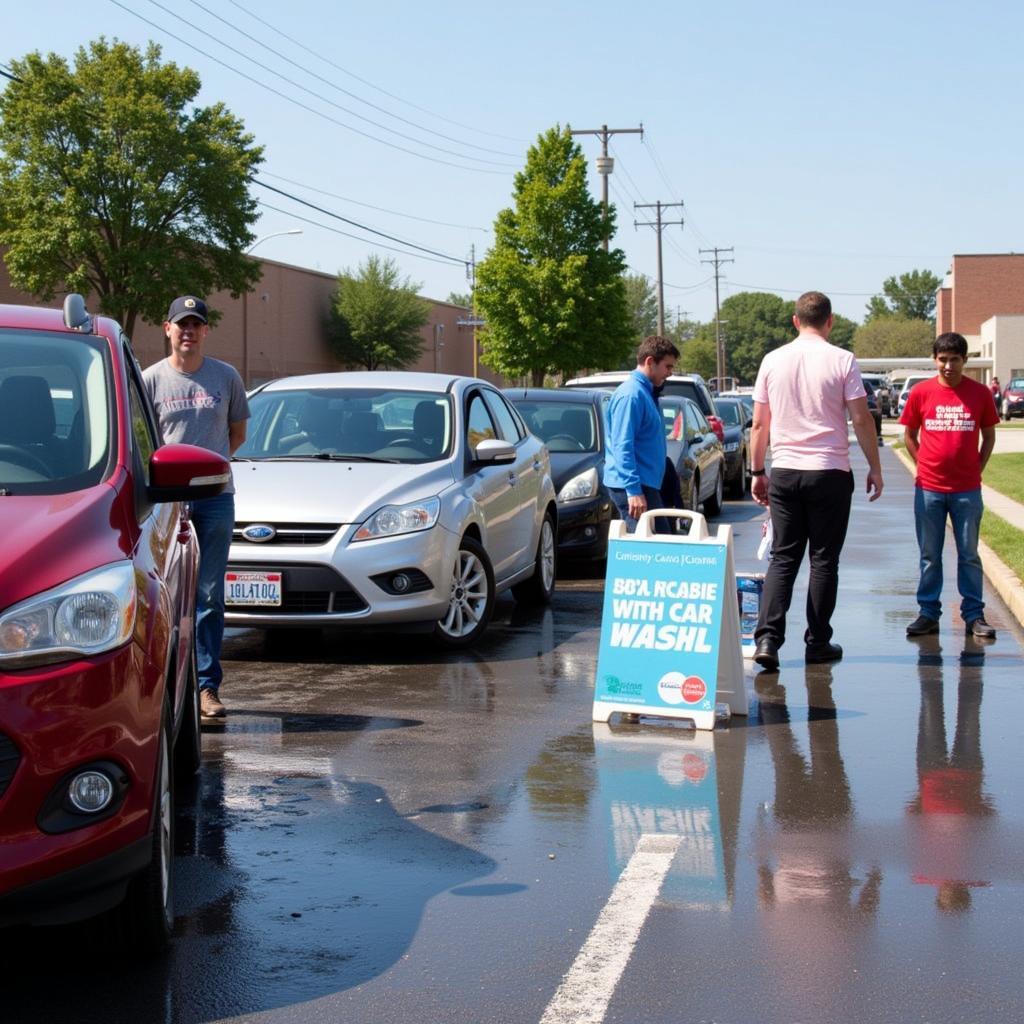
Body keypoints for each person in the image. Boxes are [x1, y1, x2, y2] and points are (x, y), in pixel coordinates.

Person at [749, 291, 883, 670]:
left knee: (783, 557)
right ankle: (818, 641)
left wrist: (758, 471)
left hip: (787, 470)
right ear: (830, 321)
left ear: (795, 320)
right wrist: (875, 466)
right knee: (824, 560)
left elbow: (760, 423)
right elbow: (861, 418)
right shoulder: (842, 360)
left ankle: (768, 641)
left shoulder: (772, 361)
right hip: (830, 472)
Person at [144, 296, 250, 719]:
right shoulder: (150, 380)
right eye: (181, 324)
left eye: (196, 325)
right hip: (167, 503)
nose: (188, 331)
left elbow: (236, 435)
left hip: (216, 499)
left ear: (205, 331)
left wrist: (209, 471)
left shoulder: (226, 377)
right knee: (163, 595)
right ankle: (164, 690)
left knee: (208, 595)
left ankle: (207, 689)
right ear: (167, 328)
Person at [900, 332, 998, 639]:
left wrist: (975, 469)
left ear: (965, 361)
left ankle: (974, 615)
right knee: (930, 553)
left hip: (967, 490)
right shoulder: (921, 392)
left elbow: (989, 436)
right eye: (942, 359)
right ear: (934, 360)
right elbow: (909, 435)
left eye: (955, 359)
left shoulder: (980, 393)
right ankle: (928, 613)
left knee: (969, 553)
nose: (948, 366)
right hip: (929, 489)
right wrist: (923, 466)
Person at [603, 335, 679, 533]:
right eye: (667, 366)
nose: (670, 373)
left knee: (654, 549)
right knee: (652, 551)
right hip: (634, 486)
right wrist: (633, 490)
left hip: (644, 484)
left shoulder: (644, 392)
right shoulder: (631, 395)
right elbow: (622, 445)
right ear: (650, 362)